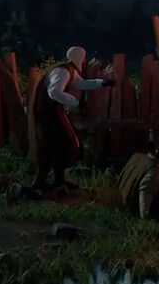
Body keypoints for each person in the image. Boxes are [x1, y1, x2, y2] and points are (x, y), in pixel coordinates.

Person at [29, 46, 112, 192]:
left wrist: (101, 83)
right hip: (48, 114)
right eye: (83, 58)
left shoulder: (69, 70)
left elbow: (79, 83)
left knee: (60, 143)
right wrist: (76, 102)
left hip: (53, 112)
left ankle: (59, 182)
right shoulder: (62, 72)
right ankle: (38, 184)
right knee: (53, 144)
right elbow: (54, 92)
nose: (84, 61)